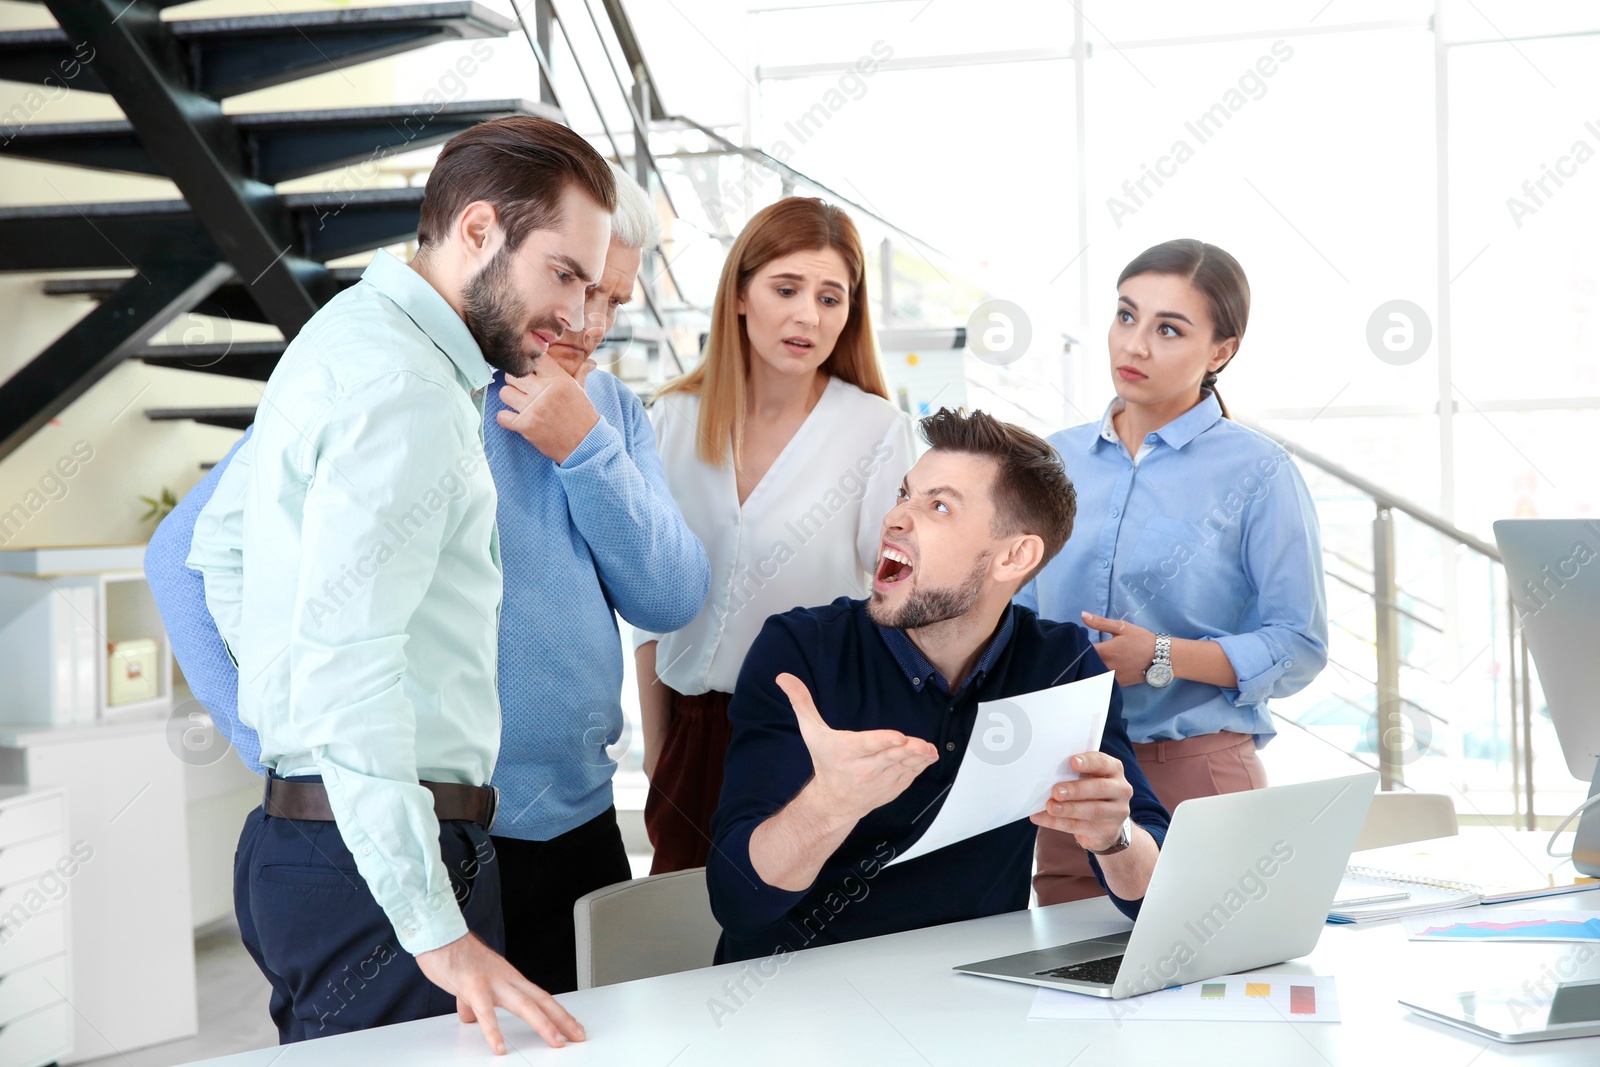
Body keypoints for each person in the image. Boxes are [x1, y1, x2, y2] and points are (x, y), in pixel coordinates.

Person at [152, 164, 708, 1003]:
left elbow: (668, 597)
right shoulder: (411, 379)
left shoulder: (611, 416)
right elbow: (184, 557)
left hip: (574, 826)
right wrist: (293, 752)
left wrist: (586, 449)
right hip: (414, 823)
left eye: (613, 301)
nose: (585, 322)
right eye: (571, 282)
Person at [706, 408, 1168, 963]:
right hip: (793, 998)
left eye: (938, 505)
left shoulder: (1062, 665)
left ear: (1014, 556)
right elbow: (737, 903)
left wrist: (1113, 835)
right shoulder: (800, 651)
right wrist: (827, 806)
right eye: (905, 495)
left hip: (970, 995)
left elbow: (1156, 901)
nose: (896, 518)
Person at [1017, 238, 1327, 906]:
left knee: (1219, 998)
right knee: (1066, 995)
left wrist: (1160, 655)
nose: (1134, 345)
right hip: (1070, 779)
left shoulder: (1260, 473)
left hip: (1195, 778)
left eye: (1168, 329)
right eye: (1126, 316)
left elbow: (1299, 645)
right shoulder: (1050, 463)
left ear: (1221, 352)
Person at [634, 197, 917, 874]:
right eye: (785, 289)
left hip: (809, 741)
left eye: (830, 297)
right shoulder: (670, 419)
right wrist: (656, 744)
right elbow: (644, 606)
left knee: (794, 951)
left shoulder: (875, 430)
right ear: (739, 295)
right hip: (688, 735)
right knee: (683, 948)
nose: (807, 317)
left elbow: (898, 608)